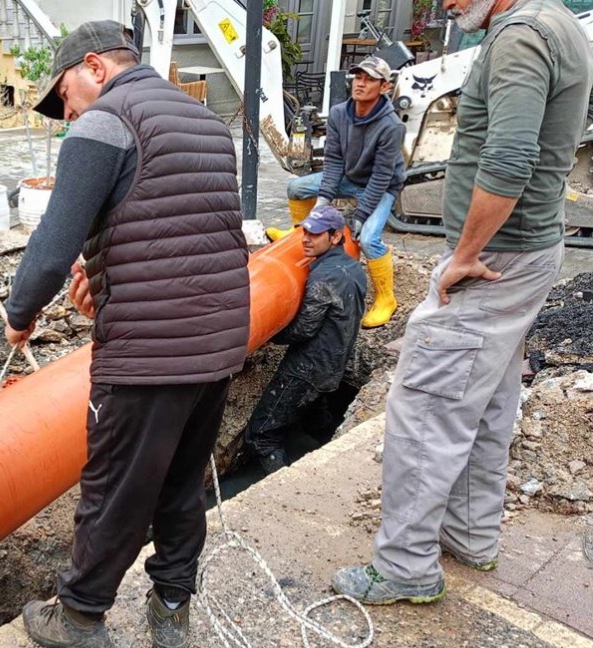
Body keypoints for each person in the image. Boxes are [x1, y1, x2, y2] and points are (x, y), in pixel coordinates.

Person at [2, 20, 250, 648]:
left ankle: (81, 614)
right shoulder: (201, 122)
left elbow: (54, 243)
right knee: (180, 483)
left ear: (94, 68)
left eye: (64, 97)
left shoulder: (105, 122)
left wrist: (21, 312)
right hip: (218, 341)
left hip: (148, 352)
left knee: (114, 486)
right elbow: (184, 231)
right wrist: (106, 276)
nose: (66, 115)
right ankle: (171, 610)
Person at [332, 0, 593, 605]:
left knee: (428, 406)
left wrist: (464, 254)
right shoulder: (556, 22)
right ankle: (470, 534)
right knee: (487, 398)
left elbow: (508, 157)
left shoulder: (522, 36)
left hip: (495, 258)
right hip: (530, 250)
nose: (444, 3)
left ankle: (404, 567)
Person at [272, 56, 406, 329]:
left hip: (380, 186)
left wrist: (360, 216)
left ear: (385, 87)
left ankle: (385, 298)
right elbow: (333, 162)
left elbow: (381, 177)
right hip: (349, 176)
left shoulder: (391, 126)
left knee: (368, 238)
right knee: (296, 187)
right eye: (358, 77)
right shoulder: (338, 114)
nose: (361, 83)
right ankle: (300, 231)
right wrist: (321, 205)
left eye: (369, 79)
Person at [246, 206, 366, 474]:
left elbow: (303, 330)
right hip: (335, 363)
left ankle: (285, 487)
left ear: (335, 237)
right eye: (305, 232)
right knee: (314, 420)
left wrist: (270, 336)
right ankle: (334, 454)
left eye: (315, 235)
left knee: (261, 435)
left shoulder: (323, 277)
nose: (306, 240)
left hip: (307, 368)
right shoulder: (353, 269)